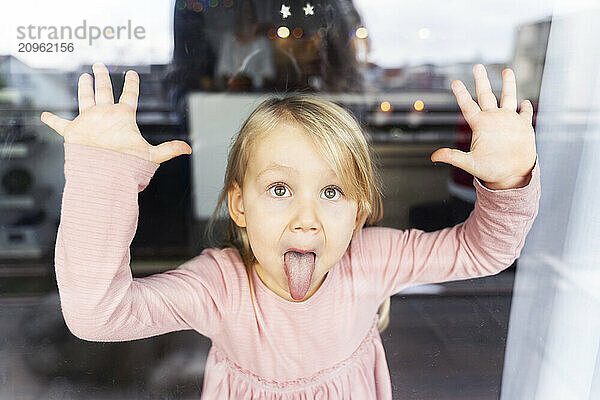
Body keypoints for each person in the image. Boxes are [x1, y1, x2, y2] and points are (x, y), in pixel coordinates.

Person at [41, 62, 540, 399]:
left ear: (361, 209)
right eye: (280, 190)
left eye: (331, 193)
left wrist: (510, 182)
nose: (306, 218)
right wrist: (104, 179)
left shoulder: (375, 259)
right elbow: (97, 316)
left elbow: (484, 252)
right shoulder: (219, 286)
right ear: (240, 206)